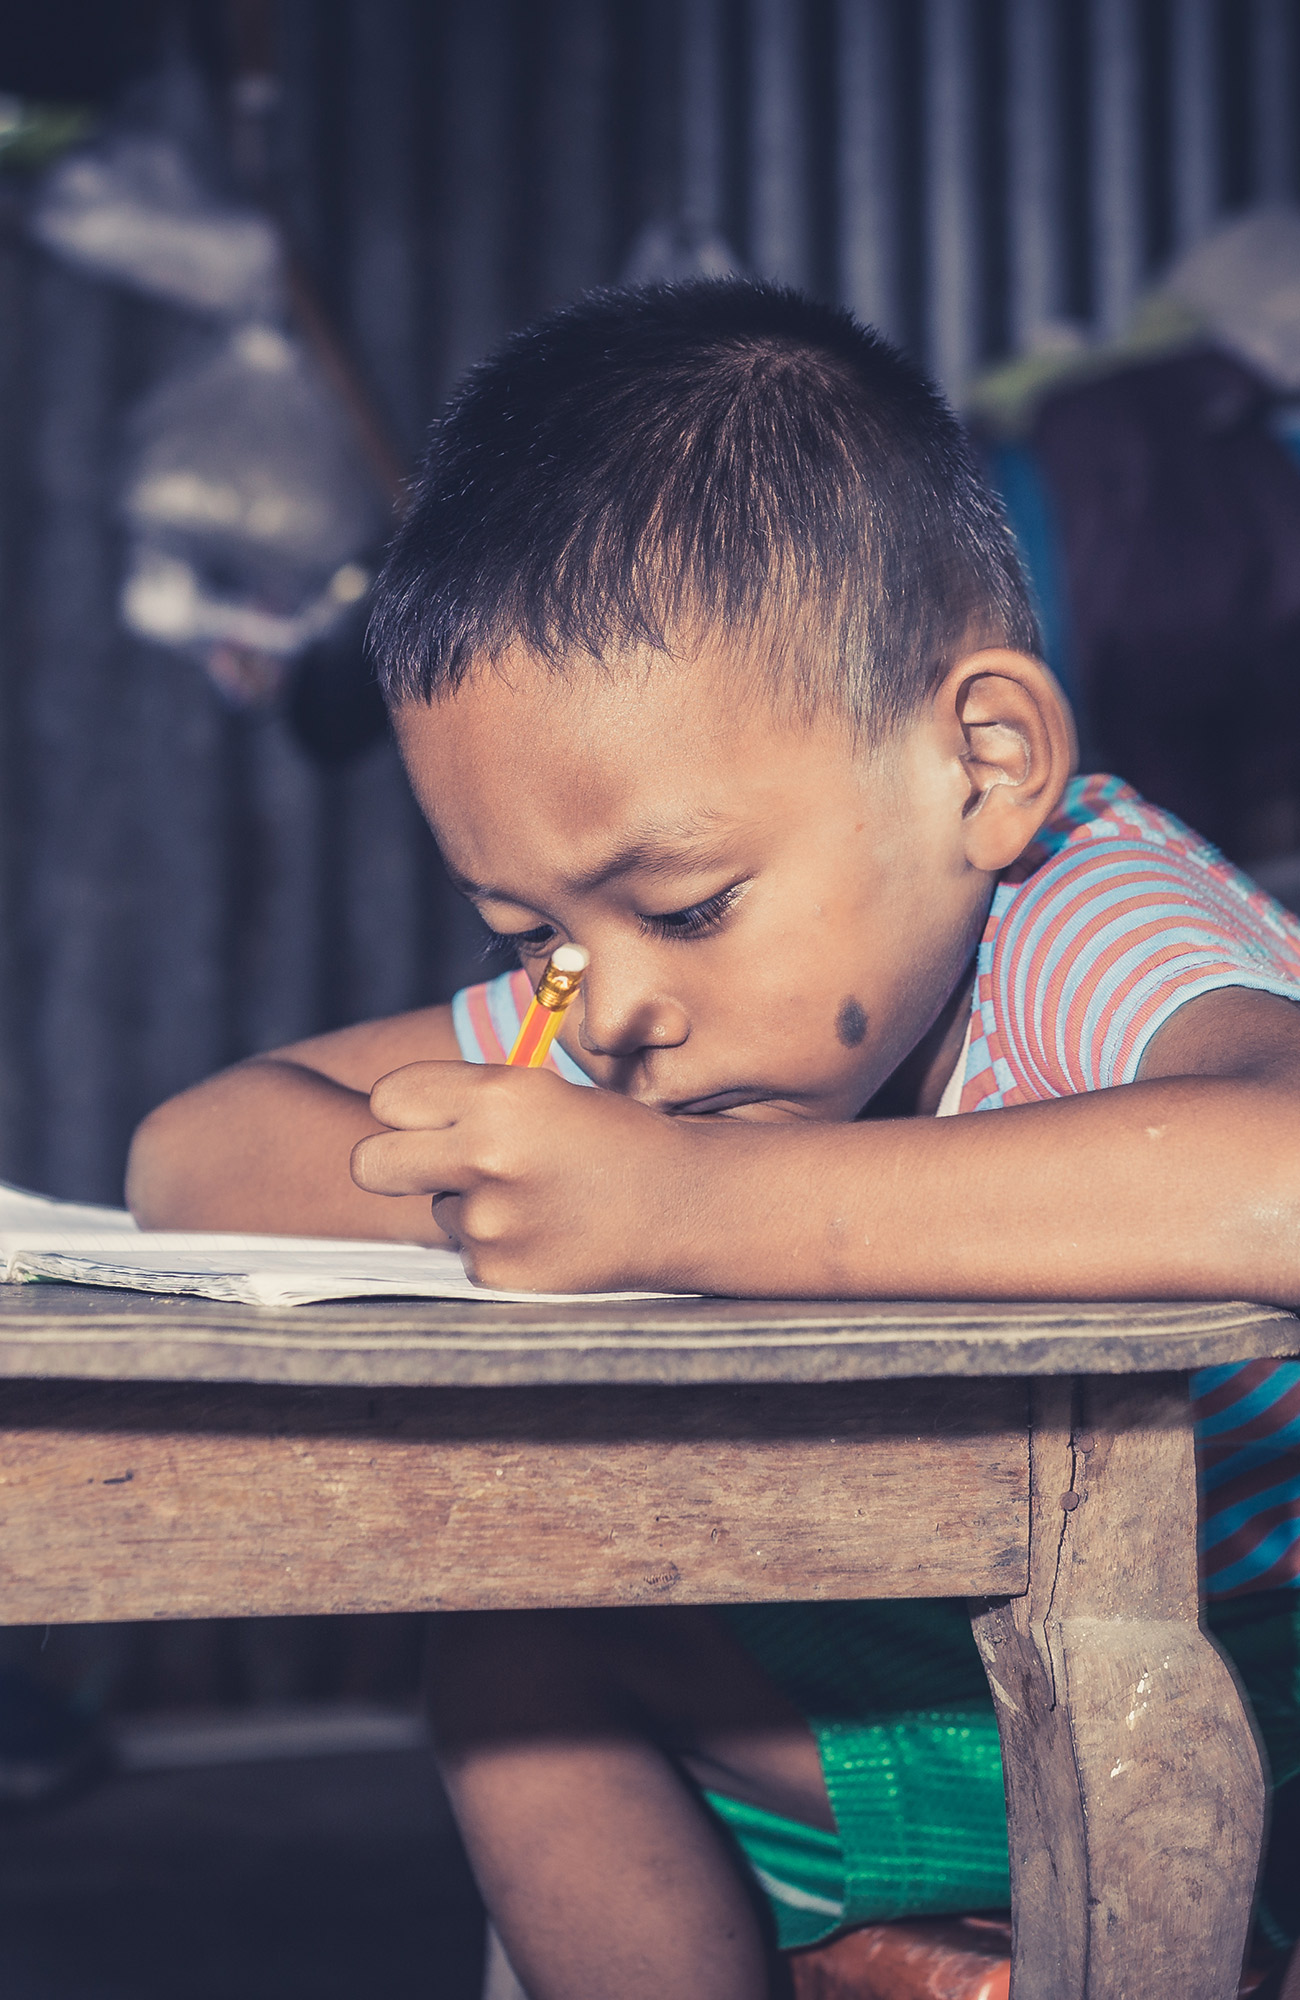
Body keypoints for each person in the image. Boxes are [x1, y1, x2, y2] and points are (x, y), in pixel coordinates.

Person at [126, 281, 1300, 2000]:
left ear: (982, 764)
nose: (605, 1010)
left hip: (1235, 1692)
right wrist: (531, 1194)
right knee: (519, 1665)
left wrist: (692, 1208)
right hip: (910, 1707)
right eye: (535, 935)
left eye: (686, 902)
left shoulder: (1081, 911)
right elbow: (198, 1151)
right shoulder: (637, 1017)